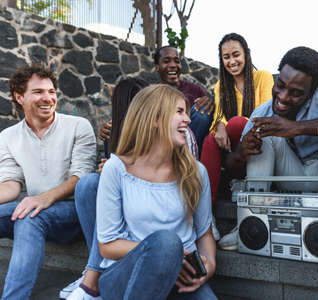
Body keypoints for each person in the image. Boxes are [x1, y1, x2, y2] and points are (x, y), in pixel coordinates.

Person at [219, 46, 318, 250]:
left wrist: (297, 128)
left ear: (313, 90)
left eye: (296, 93)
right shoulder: (263, 111)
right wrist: (241, 153)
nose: (284, 97)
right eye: (280, 85)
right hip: (290, 178)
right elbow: (232, 169)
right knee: (265, 132)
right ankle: (251, 220)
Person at [96, 84, 216, 299]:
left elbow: (204, 232)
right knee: (167, 243)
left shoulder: (196, 172)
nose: (188, 120)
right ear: (155, 119)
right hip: (125, 273)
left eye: (187, 113)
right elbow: (107, 245)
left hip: (183, 277)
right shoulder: (116, 168)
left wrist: (210, 267)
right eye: (179, 112)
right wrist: (164, 255)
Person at [0, 63, 96, 299]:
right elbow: (11, 185)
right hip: (35, 206)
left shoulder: (78, 127)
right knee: (29, 214)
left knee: (29, 218)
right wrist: (36, 202)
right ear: (19, 97)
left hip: (73, 213)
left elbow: (82, 178)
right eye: (39, 92)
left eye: (51, 92)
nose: (48, 98)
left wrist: (43, 199)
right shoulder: (8, 136)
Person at [61, 77, 148, 300]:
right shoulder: (114, 131)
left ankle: (93, 276)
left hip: (147, 195)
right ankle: (97, 268)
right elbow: (114, 164)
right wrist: (108, 169)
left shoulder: (160, 126)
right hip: (121, 195)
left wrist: (121, 170)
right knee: (88, 184)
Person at [200, 32, 274, 211]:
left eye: (236, 55)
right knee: (210, 140)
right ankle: (205, 213)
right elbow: (219, 115)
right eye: (226, 57)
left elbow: (264, 114)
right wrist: (220, 126)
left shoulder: (262, 77)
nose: (232, 61)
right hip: (232, 147)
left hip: (259, 140)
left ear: (246, 55)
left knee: (237, 123)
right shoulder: (221, 86)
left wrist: (228, 124)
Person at [100, 46, 213, 155]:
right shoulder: (151, 93)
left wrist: (209, 104)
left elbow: (206, 120)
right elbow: (133, 117)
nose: (173, 65)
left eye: (176, 61)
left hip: (188, 140)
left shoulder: (196, 90)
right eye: (166, 61)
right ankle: (112, 166)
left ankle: (188, 158)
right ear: (157, 67)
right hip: (159, 141)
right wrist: (110, 126)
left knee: (202, 113)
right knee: (111, 129)